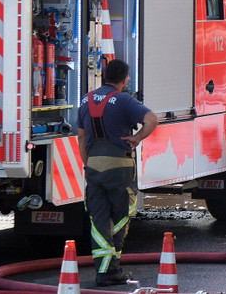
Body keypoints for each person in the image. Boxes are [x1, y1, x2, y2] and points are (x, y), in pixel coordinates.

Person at [77, 58, 158, 287]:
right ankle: (112, 269)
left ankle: (104, 271)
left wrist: (89, 165)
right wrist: (138, 137)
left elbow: (82, 137)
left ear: (104, 76)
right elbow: (152, 119)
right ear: (125, 79)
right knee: (121, 215)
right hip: (119, 167)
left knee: (98, 219)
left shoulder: (86, 99)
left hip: (93, 166)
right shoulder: (123, 100)